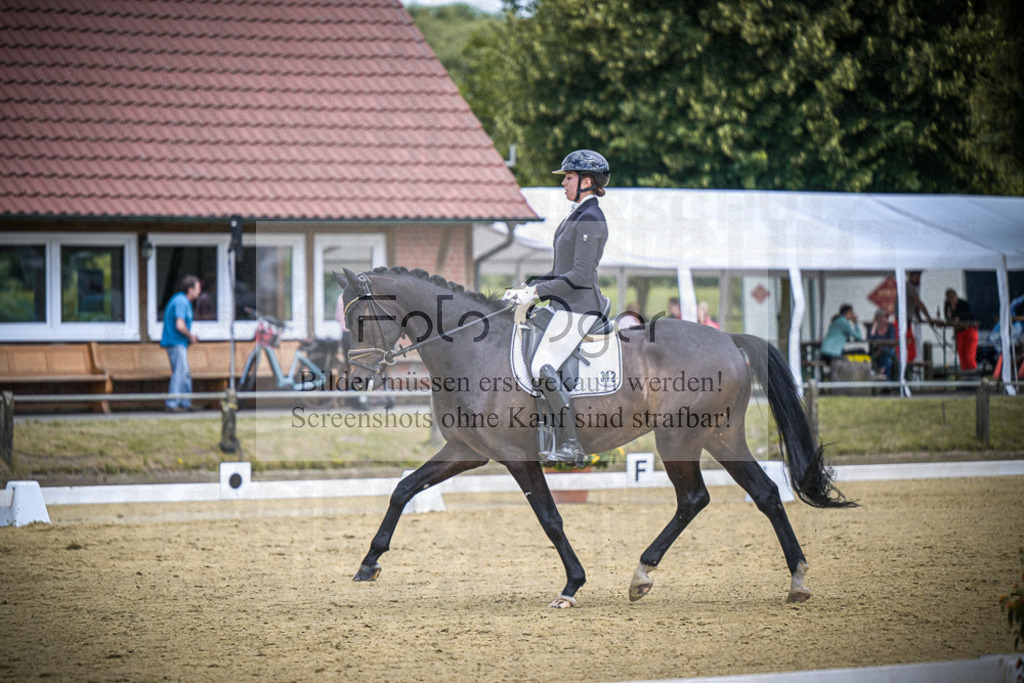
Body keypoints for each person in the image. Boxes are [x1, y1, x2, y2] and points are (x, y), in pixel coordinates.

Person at [503, 149, 610, 467]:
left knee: (541, 366)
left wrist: (538, 291)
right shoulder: (576, 215)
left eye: (568, 177)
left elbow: (579, 276)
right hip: (563, 306)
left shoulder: (592, 218)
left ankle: (572, 444)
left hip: (580, 309)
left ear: (586, 181)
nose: (563, 182)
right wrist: (528, 289)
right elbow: (561, 270)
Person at [161, 275, 201, 412]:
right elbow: (180, 325)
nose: (199, 291)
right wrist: (191, 336)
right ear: (190, 289)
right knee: (180, 373)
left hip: (178, 342)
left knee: (184, 372)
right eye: (198, 288)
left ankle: (185, 403)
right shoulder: (182, 301)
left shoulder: (181, 300)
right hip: (175, 342)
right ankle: (173, 404)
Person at [899, 270, 936, 364]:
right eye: (917, 276)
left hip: (906, 321)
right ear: (911, 276)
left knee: (911, 348)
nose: (918, 279)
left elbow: (914, 305)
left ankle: (909, 369)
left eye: (919, 276)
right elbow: (919, 303)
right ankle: (908, 371)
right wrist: (929, 318)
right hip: (903, 322)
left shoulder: (909, 287)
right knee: (909, 348)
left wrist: (919, 317)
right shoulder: (909, 287)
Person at [943, 289, 978, 372]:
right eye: (949, 298)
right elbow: (948, 318)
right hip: (959, 332)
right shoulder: (947, 305)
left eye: (952, 297)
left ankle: (973, 375)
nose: (951, 299)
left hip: (969, 330)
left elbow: (964, 317)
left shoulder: (963, 304)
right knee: (962, 355)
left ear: (956, 296)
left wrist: (955, 320)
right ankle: (965, 376)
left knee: (969, 355)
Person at [867, 308, 897, 380]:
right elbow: (870, 339)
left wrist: (881, 349)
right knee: (887, 360)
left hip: (886, 351)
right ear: (878, 318)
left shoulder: (891, 327)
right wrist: (874, 326)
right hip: (876, 351)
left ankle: (882, 374)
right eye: (886, 317)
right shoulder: (871, 328)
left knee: (888, 355)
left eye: (888, 317)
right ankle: (886, 382)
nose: (888, 319)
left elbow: (891, 341)